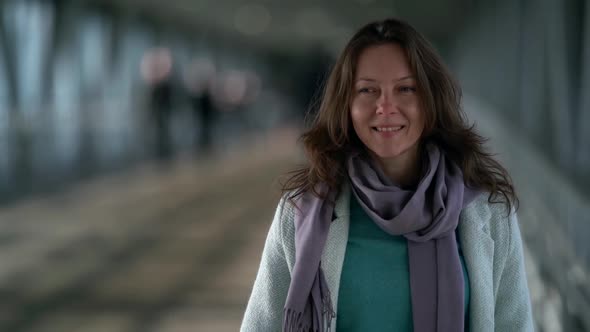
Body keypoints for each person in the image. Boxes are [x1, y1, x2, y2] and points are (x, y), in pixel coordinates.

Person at [241, 18, 534, 332]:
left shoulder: (488, 212)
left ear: (430, 100)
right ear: (347, 105)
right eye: (368, 90)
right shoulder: (301, 212)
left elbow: (514, 324)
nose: (385, 106)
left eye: (405, 89)